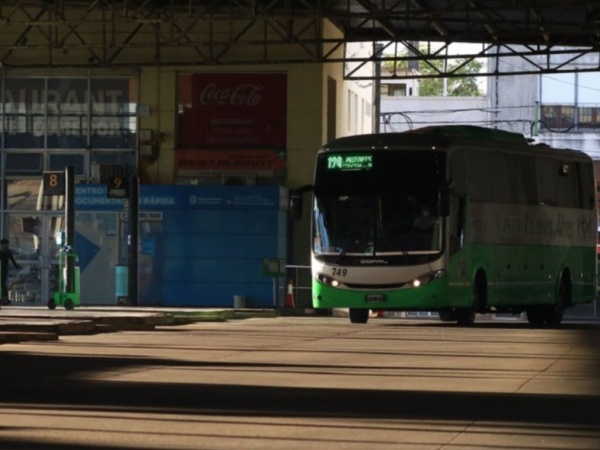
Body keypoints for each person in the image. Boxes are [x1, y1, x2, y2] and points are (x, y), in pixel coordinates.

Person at [0, 239, 20, 306]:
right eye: (5, 244)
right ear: (2, 244)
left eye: (7, 245)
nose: (6, 246)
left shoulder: (8, 252)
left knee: (3, 285)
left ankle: (4, 299)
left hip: (4, 270)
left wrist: (17, 267)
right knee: (2, 285)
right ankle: (4, 299)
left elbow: (12, 260)